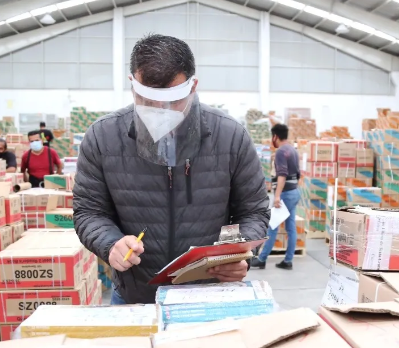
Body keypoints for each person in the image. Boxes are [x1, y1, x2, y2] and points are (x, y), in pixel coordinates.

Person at [73, 34, 269, 305]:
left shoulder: (230, 136)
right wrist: (111, 244)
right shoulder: (103, 137)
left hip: (210, 298)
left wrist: (237, 256)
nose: (161, 112)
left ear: (192, 86)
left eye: (173, 101)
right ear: (132, 85)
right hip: (135, 297)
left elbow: (254, 211)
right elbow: (89, 211)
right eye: (149, 101)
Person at [250, 124, 300, 270]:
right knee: (291, 227)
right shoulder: (292, 150)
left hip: (285, 194)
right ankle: (288, 260)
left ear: (275, 136)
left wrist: (277, 196)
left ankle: (262, 259)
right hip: (295, 192)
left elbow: (282, 175)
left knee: (272, 226)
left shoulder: (281, 152)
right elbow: (297, 174)